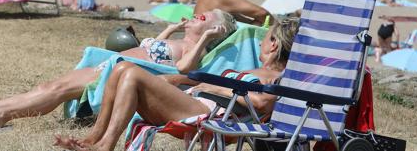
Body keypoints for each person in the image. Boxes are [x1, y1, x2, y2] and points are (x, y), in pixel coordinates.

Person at [0, 9, 237, 127]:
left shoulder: (194, 51)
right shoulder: (178, 39)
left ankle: (0, 114)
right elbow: (153, 47)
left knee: (58, 90)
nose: (197, 16)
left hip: (118, 72)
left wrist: (207, 39)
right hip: (110, 63)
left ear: (215, 29)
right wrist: (172, 29)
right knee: (49, 87)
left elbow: (182, 68)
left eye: (204, 17)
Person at [53, 19, 299, 151]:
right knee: (119, 69)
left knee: (131, 73)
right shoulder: (253, 70)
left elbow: (261, 101)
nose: (259, 45)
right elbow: (209, 79)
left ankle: (105, 146)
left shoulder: (278, 78)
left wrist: (216, 89)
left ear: (274, 44)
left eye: (264, 40)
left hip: (212, 115)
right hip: (197, 103)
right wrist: (177, 79)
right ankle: (93, 139)